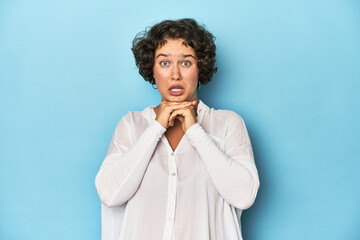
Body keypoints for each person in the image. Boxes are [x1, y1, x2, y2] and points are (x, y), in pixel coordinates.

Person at [95, 18, 260, 240]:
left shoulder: (228, 123)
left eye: (186, 62)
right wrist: (156, 127)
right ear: (152, 69)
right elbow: (110, 194)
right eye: (164, 63)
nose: (175, 74)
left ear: (200, 67)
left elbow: (243, 195)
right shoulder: (132, 125)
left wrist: (195, 130)